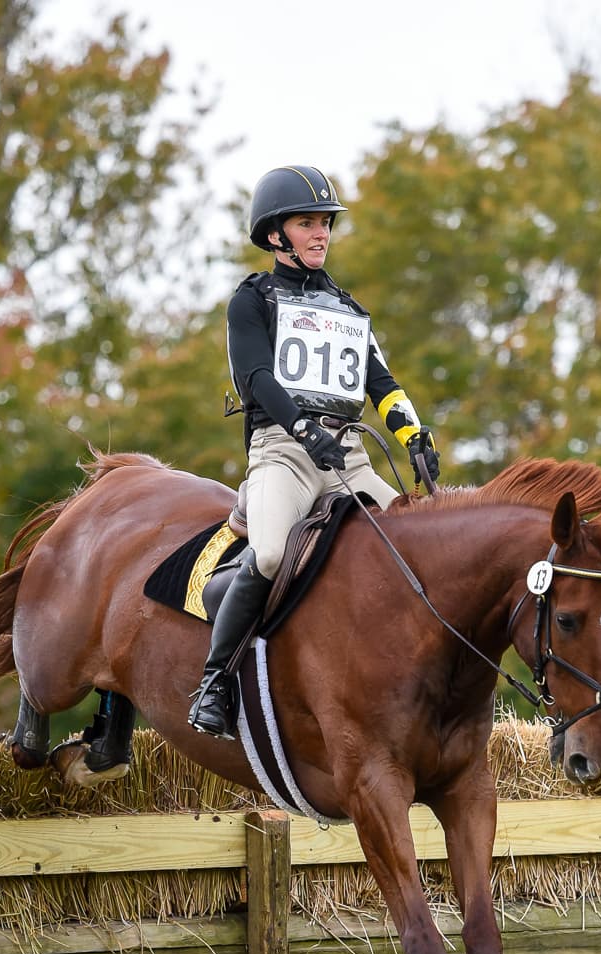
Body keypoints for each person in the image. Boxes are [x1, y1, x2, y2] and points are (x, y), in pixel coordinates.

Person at [188, 163, 441, 739]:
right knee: (271, 555)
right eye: (307, 223)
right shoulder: (252, 299)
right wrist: (305, 431)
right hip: (283, 452)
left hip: (349, 456)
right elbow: (256, 378)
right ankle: (215, 683)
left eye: (325, 222)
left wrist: (414, 436)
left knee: (418, 549)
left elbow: (382, 383)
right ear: (275, 234)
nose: (321, 233)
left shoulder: (348, 310)